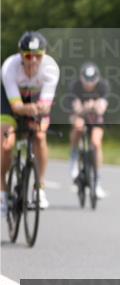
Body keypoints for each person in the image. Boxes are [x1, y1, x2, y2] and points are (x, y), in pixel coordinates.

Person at [1, 32, 60, 213]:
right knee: (6, 144)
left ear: (44, 55)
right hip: (9, 103)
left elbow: (45, 106)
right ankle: (3, 193)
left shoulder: (50, 68)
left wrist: (38, 112)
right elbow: (17, 107)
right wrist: (30, 109)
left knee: (40, 136)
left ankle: (39, 189)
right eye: (28, 55)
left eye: (38, 56)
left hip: (36, 101)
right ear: (21, 55)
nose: (33, 60)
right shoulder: (9, 68)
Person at [69, 62, 110, 198]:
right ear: (81, 78)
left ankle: (97, 182)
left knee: (96, 143)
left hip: (96, 119)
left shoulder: (103, 86)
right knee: (78, 126)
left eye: (92, 81)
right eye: (86, 81)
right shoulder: (75, 86)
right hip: (80, 117)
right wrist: (91, 106)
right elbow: (77, 109)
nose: (89, 84)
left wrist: (88, 107)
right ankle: (74, 159)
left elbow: (101, 109)